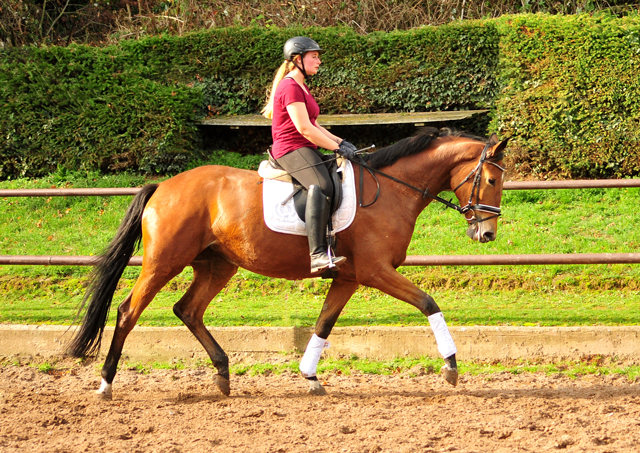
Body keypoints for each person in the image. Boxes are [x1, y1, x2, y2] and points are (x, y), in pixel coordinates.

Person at [261, 36, 357, 274]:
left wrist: (340, 141)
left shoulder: (301, 85)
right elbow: (304, 129)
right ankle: (317, 255)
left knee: (337, 175)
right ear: (298, 59)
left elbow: (314, 125)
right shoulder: (290, 86)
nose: (319, 61)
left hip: (304, 147)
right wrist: (335, 148)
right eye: (314, 56)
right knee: (321, 184)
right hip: (290, 149)